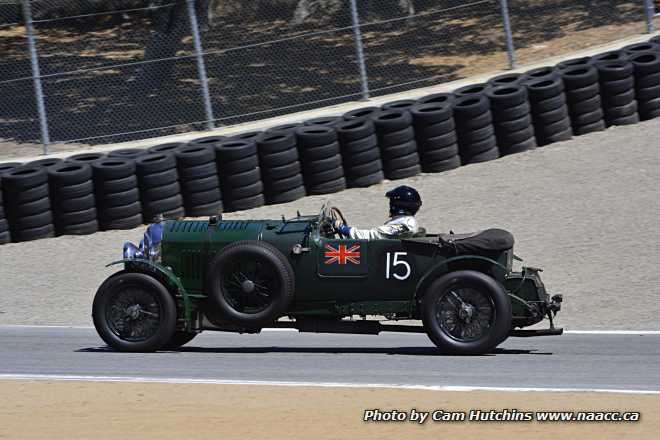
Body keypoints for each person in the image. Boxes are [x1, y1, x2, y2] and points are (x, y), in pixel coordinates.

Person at [335, 185, 422, 240]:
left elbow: (374, 235)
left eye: (391, 202)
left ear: (398, 205)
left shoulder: (405, 225)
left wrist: (345, 229)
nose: (390, 205)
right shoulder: (405, 221)